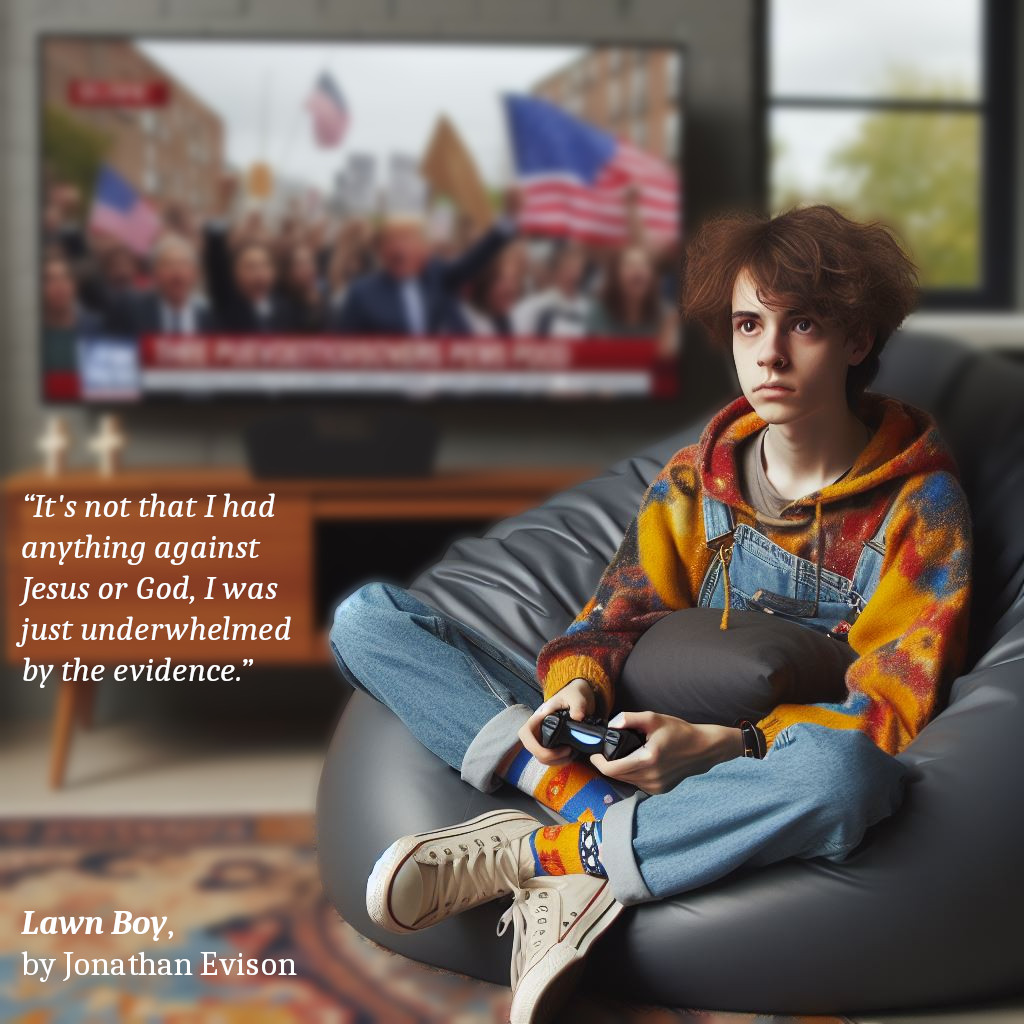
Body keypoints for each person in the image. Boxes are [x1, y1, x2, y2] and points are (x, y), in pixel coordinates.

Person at [329, 205, 972, 1023]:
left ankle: (547, 853)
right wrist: (575, 694)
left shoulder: (925, 508)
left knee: (844, 780)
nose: (768, 354)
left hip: (754, 768)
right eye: (748, 324)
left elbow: (893, 708)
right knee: (366, 620)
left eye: (802, 325)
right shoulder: (693, 481)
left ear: (855, 341)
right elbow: (612, 618)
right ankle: (585, 811)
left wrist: (726, 747)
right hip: (625, 750)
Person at [332, 192, 521, 337]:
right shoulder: (362, 294)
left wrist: (508, 218)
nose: (399, 248)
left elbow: (475, 260)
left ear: (423, 247)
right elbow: (345, 351)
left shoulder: (437, 276)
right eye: (391, 240)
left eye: (407, 239)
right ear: (380, 250)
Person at [107, 234, 213, 335]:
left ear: (196, 273)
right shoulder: (131, 311)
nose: (177, 272)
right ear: (154, 272)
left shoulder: (209, 317)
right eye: (168, 264)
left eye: (184, 264)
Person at [588, 244, 679, 357]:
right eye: (630, 265)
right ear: (615, 276)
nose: (637, 270)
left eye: (644, 265)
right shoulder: (598, 312)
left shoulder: (666, 316)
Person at [511, 241, 592, 338]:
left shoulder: (588, 309)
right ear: (556, 264)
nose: (573, 269)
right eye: (568, 260)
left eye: (577, 260)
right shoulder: (532, 308)